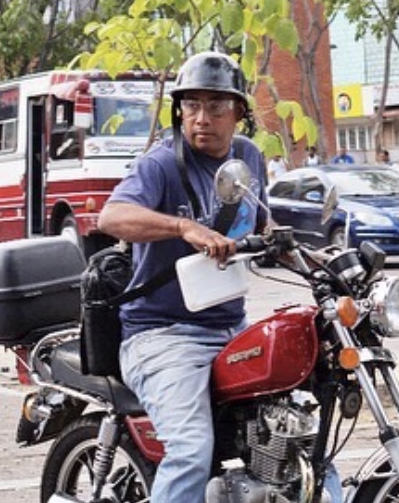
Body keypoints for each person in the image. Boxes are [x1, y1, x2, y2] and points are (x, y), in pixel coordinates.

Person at [97, 51, 270, 502]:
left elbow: (264, 227)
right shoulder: (160, 164)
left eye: (216, 106)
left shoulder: (248, 157)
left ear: (239, 113)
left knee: (291, 423)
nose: (202, 118)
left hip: (230, 327)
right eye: (191, 105)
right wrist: (181, 226)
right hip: (161, 334)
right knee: (192, 449)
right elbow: (111, 216)